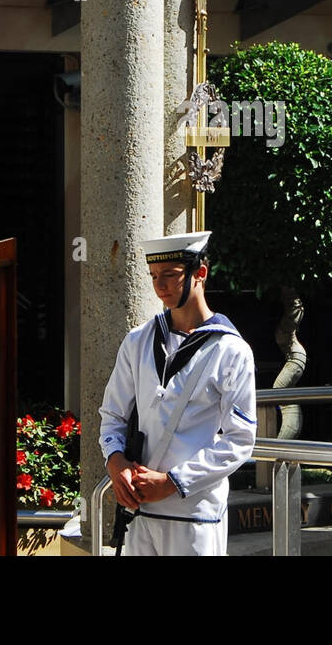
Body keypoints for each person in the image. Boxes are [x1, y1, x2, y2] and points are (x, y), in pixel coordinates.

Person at [99, 231, 256, 555]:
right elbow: (112, 414)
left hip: (195, 514)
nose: (160, 286)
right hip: (139, 511)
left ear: (201, 273)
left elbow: (240, 439)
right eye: (154, 276)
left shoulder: (231, 350)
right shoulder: (138, 340)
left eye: (170, 275)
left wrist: (173, 481)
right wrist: (115, 460)